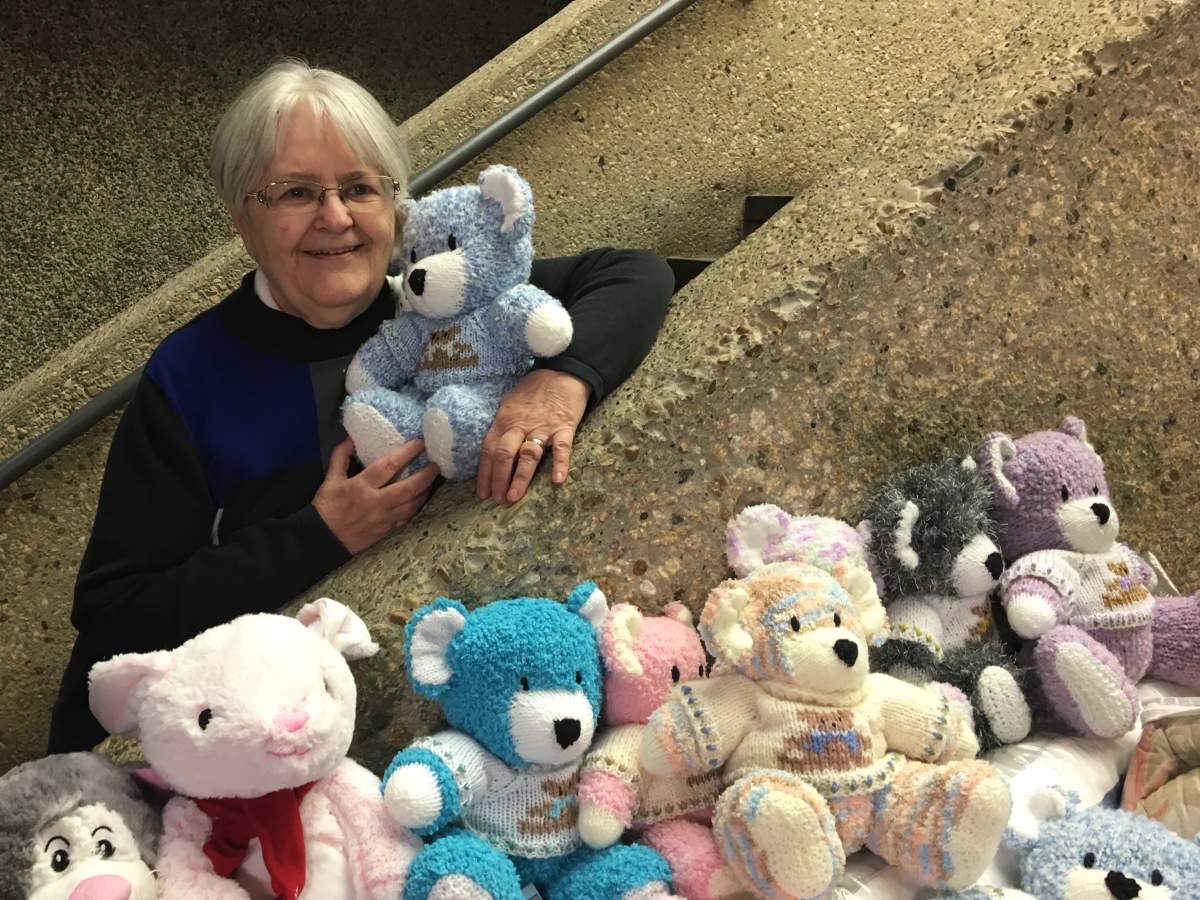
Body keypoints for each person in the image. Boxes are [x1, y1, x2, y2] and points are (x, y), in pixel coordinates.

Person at [48, 59, 673, 753]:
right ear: (241, 219)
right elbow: (116, 615)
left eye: (359, 188)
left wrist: (560, 379)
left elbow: (635, 273)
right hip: (258, 745)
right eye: (295, 193)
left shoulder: (446, 308)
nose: (337, 218)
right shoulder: (192, 373)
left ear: (397, 208)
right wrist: (321, 533)